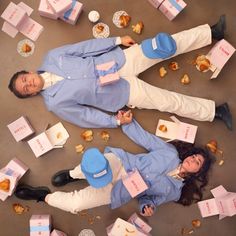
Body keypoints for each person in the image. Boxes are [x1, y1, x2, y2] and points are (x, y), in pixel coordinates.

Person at [8, 16, 232, 130]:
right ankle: (215, 112)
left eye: (25, 80)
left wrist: (116, 40)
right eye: (26, 89)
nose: (29, 84)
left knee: (163, 46)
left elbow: (83, 48)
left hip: (119, 60)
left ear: (28, 72)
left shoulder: (52, 57)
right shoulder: (54, 104)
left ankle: (210, 32)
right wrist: (113, 121)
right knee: (168, 102)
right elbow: (84, 117)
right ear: (30, 94)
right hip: (120, 94)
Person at [15, 110, 213, 217]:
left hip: (122, 190)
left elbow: (150, 200)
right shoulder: (170, 153)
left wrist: (147, 208)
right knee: (93, 166)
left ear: (197, 172)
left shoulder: (175, 192)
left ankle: (43, 196)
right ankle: (73, 175)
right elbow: (146, 139)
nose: (192, 159)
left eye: (197, 162)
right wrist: (127, 123)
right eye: (194, 155)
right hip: (122, 164)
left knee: (76, 204)